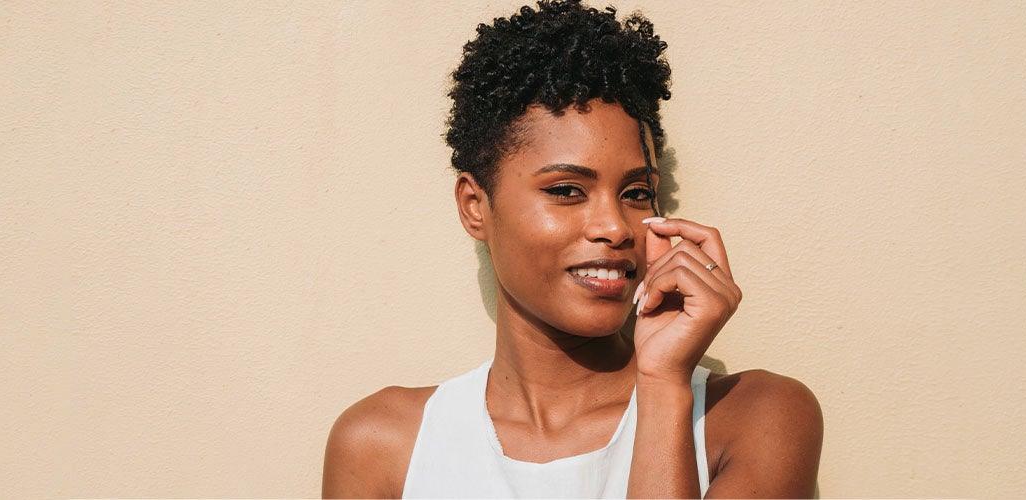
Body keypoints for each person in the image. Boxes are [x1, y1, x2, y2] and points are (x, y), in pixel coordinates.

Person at [322, 0, 823, 497]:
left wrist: (663, 385)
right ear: (476, 206)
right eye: (566, 190)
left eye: (636, 194)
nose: (614, 227)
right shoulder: (384, 447)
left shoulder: (755, 416)